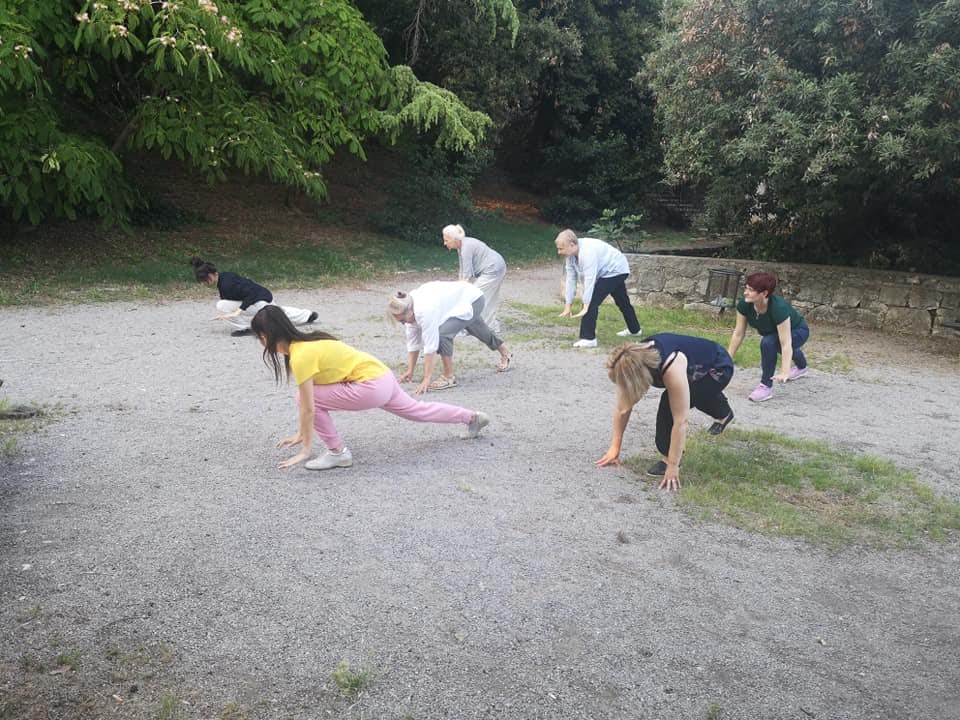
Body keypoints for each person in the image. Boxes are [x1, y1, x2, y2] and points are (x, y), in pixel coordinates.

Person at [251, 305, 490, 471]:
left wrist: (305, 448)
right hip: (382, 376)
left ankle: (337, 453)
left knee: (302, 398)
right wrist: (302, 433)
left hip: (370, 386)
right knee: (418, 410)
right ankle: (472, 417)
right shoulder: (312, 340)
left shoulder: (300, 355)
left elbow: (308, 407)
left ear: (265, 336)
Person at [595, 334, 735, 491]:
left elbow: (680, 421)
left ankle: (668, 457)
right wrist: (615, 447)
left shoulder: (671, 366)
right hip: (696, 363)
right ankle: (723, 413)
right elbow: (623, 407)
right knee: (691, 395)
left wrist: (673, 465)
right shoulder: (632, 359)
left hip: (718, 367)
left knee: (670, 404)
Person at [387, 281, 512, 394]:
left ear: (409, 311)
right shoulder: (407, 305)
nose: (404, 323)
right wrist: (410, 371)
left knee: (443, 335)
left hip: (473, 299)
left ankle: (449, 377)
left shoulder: (424, 311)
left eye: (403, 320)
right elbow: (413, 342)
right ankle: (505, 352)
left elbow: (430, 347)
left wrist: (426, 378)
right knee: (479, 329)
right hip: (460, 300)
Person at [727, 271, 810, 403]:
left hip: (798, 331)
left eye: (751, 290)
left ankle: (765, 386)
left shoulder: (778, 308)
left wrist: (784, 372)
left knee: (769, 343)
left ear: (764, 293)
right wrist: (727, 358)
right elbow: (738, 333)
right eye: (746, 288)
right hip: (776, 335)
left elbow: (785, 343)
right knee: (773, 342)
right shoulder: (745, 304)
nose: (745, 293)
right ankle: (802, 367)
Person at [555, 229, 643, 348]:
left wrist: (586, 304)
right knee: (622, 301)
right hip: (609, 270)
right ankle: (635, 330)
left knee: (591, 301)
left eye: (561, 249)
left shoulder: (587, 253)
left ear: (572, 244)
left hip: (617, 270)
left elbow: (589, 280)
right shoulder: (570, 256)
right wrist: (568, 305)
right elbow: (571, 279)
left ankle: (588, 338)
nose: (559, 252)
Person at [190, 257, 317, 336]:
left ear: (212, 274)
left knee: (276, 315)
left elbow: (251, 293)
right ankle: (245, 328)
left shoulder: (227, 282)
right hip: (254, 300)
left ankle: (307, 316)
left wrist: (238, 311)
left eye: (205, 279)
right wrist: (235, 311)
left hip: (260, 299)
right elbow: (233, 299)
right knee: (222, 305)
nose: (205, 282)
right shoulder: (223, 279)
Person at [442, 224, 507, 333]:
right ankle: (489, 326)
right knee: (485, 297)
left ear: (454, 239)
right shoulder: (461, 246)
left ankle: (474, 327)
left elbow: (467, 275)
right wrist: (460, 284)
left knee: (475, 296)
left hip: (493, 269)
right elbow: (463, 268)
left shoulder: (466, 248)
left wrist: (460, 290)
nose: (445, 243)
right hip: (496, 267)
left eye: (446, 240)